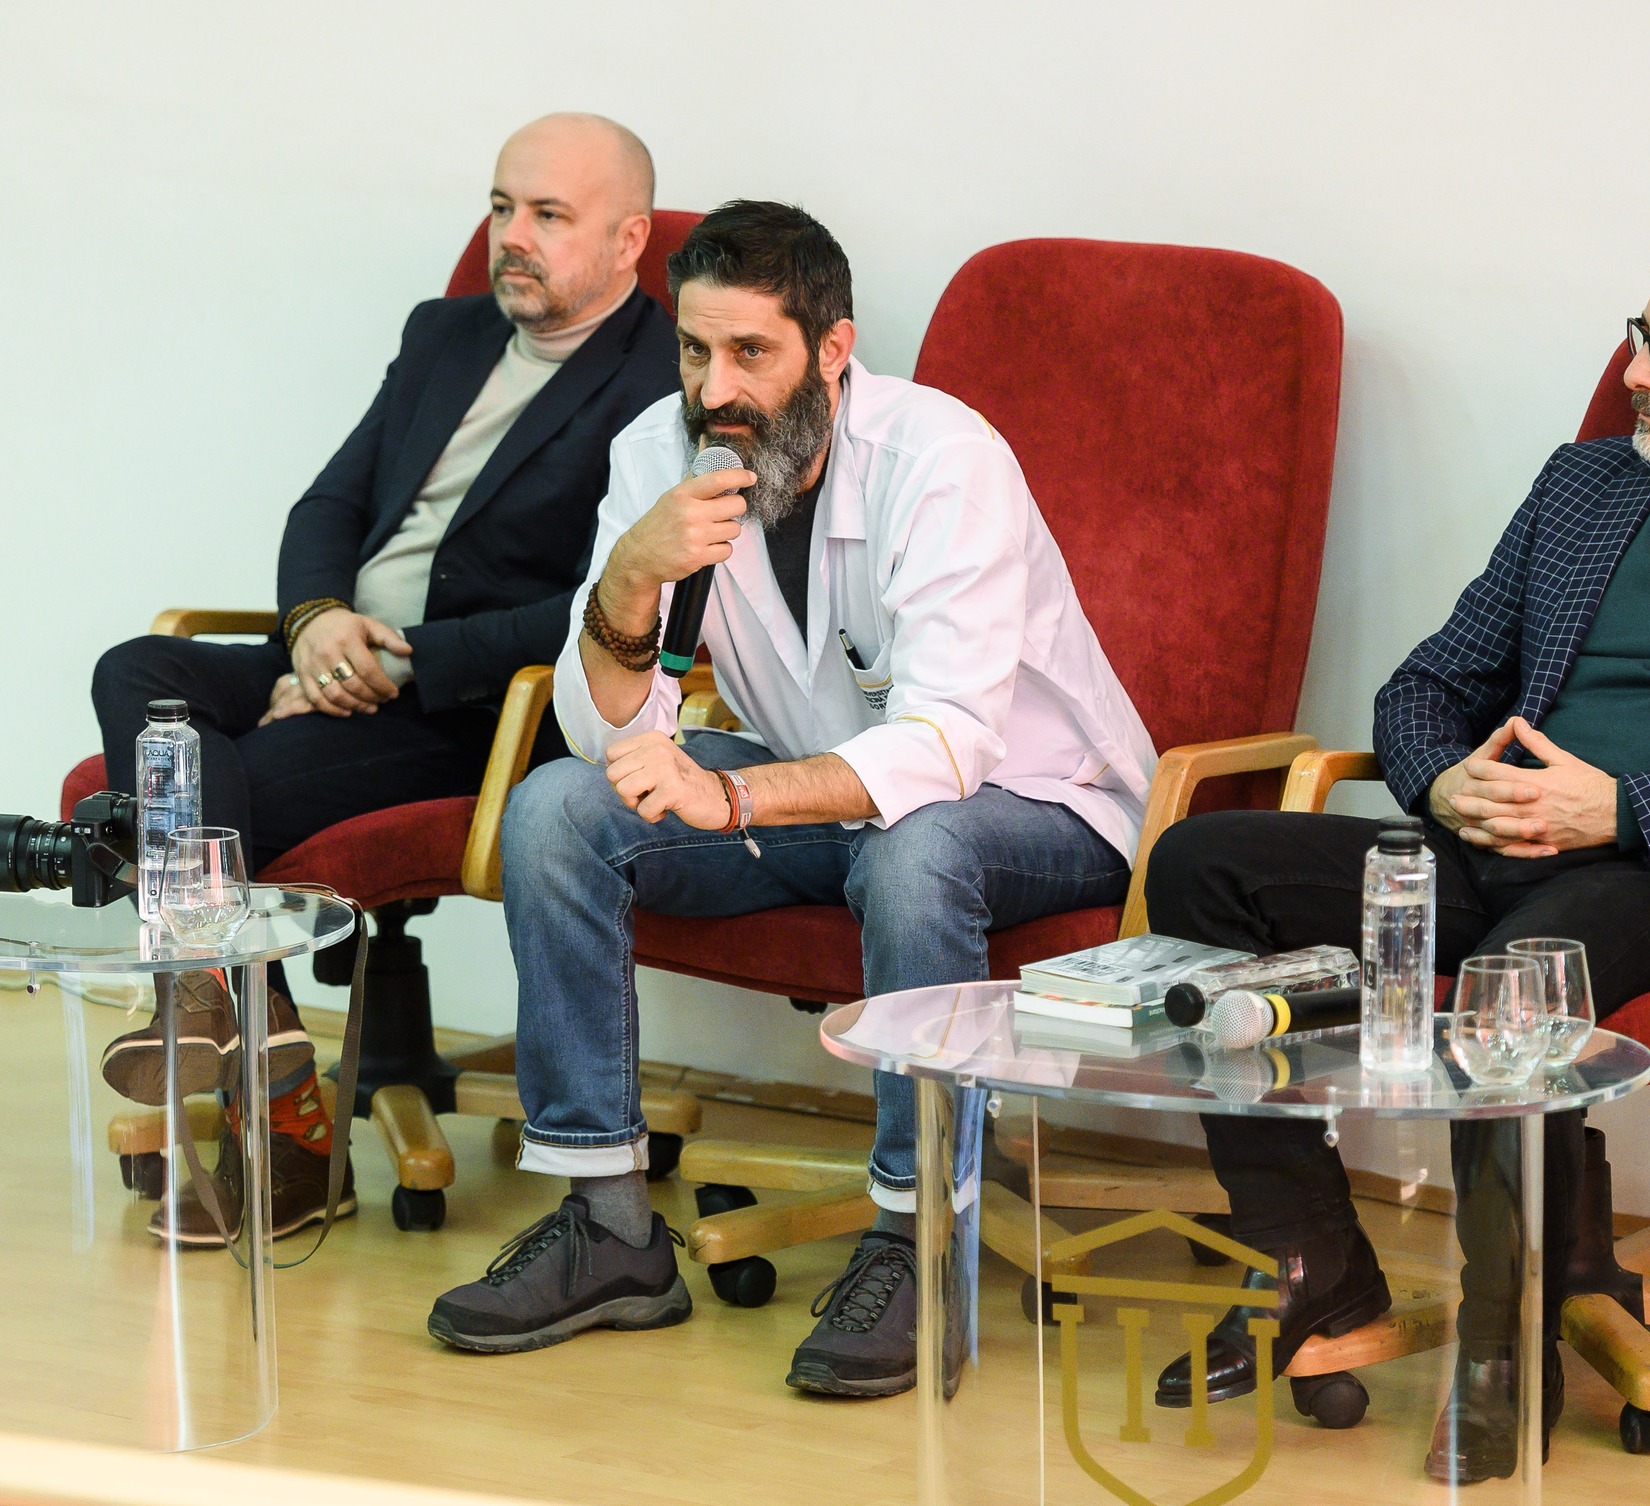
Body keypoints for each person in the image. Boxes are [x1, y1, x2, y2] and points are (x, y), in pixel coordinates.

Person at [1142, 221, 1650, 1482]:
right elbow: (1427, 683)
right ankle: (1309, 1266)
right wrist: (1442, 780)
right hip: (1488, 842)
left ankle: (1501, 1343)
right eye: (1638, 337)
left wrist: (1620, 810)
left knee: (1510, 988)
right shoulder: (1583, 485)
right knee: (1200, 863)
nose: (1630, 372)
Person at [427, 201, 1155, 1395]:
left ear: (831, 349)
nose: (713, 389)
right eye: (693, 350)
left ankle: (919, 1239)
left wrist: (732, 800)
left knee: (915, 849)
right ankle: (607, 1229)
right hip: (815, 795)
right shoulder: (656, 456)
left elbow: (947, 745)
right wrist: (626, 582)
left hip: (1036, 803)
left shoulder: (941, 457)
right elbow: (608, 734)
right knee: (557, 813)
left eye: (749, 353)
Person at [90, 113, 681, 1247]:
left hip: (475, 708)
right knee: (140, 675)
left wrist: (398, 659)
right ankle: (257, 1047)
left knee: (190, 792)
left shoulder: (660, 382)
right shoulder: (444, 333)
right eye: (500, 207)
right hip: (339, 654)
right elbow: (331, 504)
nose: (511, 235)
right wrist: (315, 627)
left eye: (548, 215)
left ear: (628, 240)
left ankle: (277, 1120)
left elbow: (610, 600)